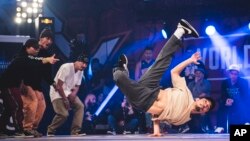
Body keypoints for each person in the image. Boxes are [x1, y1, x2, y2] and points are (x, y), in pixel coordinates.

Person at [113, 19, 215, 136]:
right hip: (153, 88)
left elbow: (160, 114)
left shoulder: (183, 119)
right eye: (206, 101)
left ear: (204, 112)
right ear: (199, 99)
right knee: (162, 61)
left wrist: (157, 130)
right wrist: (190, 60)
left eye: (207, 107)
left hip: (144, 101)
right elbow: (174, 72)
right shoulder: (187, 93)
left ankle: (121, 71)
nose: (205, 105)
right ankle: (180, 30)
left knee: (119, 77)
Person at [0, 38, 58, 137]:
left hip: (12, 85)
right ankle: (20, 130)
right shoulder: (21, 57)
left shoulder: (26, 57)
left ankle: (1, 130)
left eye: (38, 48)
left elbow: (35, 61)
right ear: (27, 47)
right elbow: (34, 61)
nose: (37, 50)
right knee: (17, 106)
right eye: (35, 48)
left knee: (9, 108)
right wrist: (47, 59)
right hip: (8, 85)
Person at [21, 28, 58, 137]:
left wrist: (53, 83)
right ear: (41, 38)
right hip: (26, 81)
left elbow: (46, 74)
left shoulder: (47, 53)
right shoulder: (31, 47)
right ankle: (26, 127)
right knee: (33, 102)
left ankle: (33, 128)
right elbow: (25, 61)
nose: (49, 41)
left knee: (42, 105)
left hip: (36, 84)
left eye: (51, 39)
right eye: (47, 38)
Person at [47, 55, 88, 136]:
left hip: (68, 92)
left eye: (86, 64)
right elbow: (58, 86)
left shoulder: (81, 71)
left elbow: (77, 85)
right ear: (77, 61)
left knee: (80, 106)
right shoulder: (66, 67)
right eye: (82, 63)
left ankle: (75, 131)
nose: (84, 65)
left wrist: (73, 95)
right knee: (64, 114)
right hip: (57, 92)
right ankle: (50, 129)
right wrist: (66, 100)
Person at [217, 64, 249, 133]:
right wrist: (226, 100)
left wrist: (234, 101)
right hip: (229, 102)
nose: (233, 76)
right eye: (232, 74)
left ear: (238, 74)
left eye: (235, 74)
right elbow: (223, 94)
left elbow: (245, 95)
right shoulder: (225, 82)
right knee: (221, 104)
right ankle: (220, 126)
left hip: (240, 102)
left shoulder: (243, 82)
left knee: (245, 104)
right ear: (229, 74)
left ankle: (246, 122)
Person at [134, 47, 155, 133]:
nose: (148, 55)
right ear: (144, 54)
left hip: (153, 89)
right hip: (143, 89)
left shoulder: (155, 63)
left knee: (153, 109)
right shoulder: (139, 64)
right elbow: (136, 78)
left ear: (152, 54)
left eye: (149, 53)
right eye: (146, 53)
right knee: (143, 110)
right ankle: (144, 128)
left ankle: (153, 128)